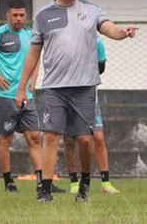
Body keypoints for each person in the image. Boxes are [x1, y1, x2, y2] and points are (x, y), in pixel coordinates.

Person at [15, 0, 135, 202]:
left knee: (84, 139)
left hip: (84, 87)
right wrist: (21, 87)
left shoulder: (91, 10)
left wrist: (122, 32)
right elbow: (33, 54)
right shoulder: (43, 16)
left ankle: (85, 186)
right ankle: (45, 190)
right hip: (54, 88)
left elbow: (109, 28)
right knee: (50, 137)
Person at [0, 0, 64, 194]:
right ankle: (8, 182)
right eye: (15, 15)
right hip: (5, 95)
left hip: (26, 96)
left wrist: (35, 77)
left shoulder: (30, 35)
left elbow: (35, 56)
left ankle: (41, 181)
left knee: (34, 136)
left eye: (22, 15)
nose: (19, 18)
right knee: (6, 139)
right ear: (7, 16)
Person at [64, 37, 120, 194]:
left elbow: (100, 69)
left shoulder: (97, 42)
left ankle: (106, 183)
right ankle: (74, 182)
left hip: (88, 96)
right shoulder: (65, 38)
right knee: (69, 140)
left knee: (98, 137)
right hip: (65, 95)